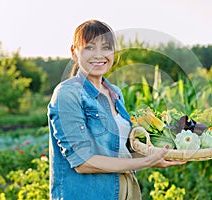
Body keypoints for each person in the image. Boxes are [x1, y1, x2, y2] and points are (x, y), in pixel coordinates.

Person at [47, 19, 186, 200]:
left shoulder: (115, 93)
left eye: (106, 47)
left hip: (125, 190)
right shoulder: (68, 93)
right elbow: (82, 162)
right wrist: (143, 162)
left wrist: (159, 155)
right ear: (74, 52)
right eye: (89, 47)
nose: (99, 55)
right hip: (89, 194)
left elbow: (121, 148)